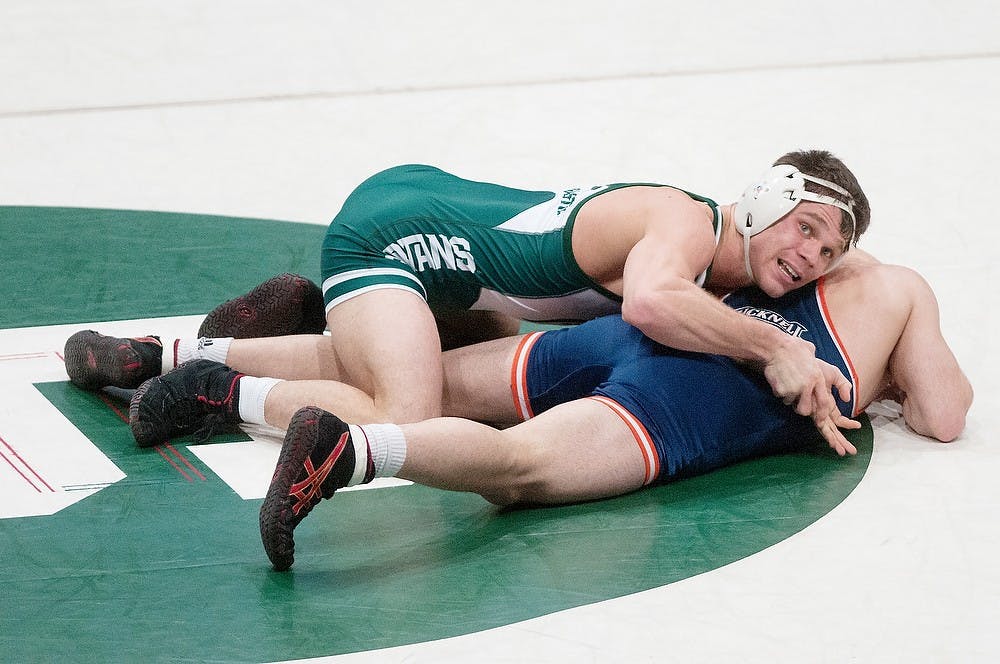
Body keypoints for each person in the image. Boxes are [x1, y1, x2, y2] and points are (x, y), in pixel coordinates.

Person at [66, 150, 872, 448]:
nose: (810, 257)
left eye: (831, 253)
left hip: (431, 217)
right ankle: (222, 391)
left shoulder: (704, 250)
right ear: (763, 200)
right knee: (409, 414)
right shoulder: (686, 223)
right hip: (390, 240)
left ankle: (157, 354)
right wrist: (778, 348)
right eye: (804, 229)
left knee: (473, 340)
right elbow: (651, 306)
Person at [249, 252, 970, 569]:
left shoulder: (777, 245)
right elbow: (944, 413)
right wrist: (894, 375)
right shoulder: (898, 289)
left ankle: (200, 370)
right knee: (514, 469)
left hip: (628, 333)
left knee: (415, 377)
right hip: (688, 402)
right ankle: (350, 452)